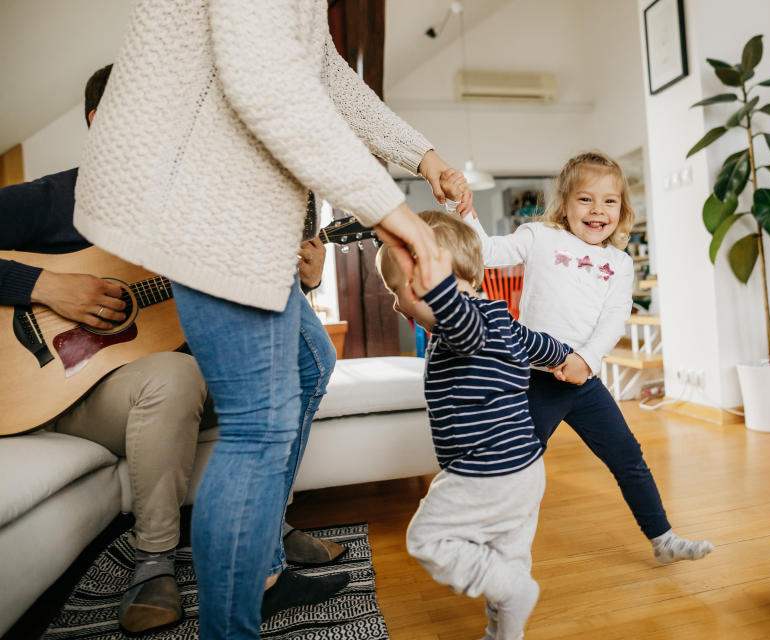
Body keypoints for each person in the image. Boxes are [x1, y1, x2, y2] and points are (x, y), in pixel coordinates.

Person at [71, 3, 473, 637]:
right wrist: (390, 211)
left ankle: (263, 561)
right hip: (203, 204)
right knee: (257, 429)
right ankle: (237, 612)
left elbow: (329, 79)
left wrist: (423, 157)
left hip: (235, 209)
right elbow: (264, 81)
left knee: (311, 363)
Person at [0, 65, 349, 635]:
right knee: (176, 375)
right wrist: (44, 286)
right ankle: (153, 562)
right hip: (57, 388)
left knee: (277, 370)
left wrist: (299, 278)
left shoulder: (187, 215)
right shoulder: (59, 198)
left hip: (149, 385)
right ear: (100, 123)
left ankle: (265, 537)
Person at [442, 152, 714, 565]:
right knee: (517, 469)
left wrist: (586, 360)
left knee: (629, 457)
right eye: (586, 199)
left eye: (609, 201)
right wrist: (458, 209)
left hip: (584, 383)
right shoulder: (539, 237)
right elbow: (485, 250)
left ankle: (663, 538)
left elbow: (612, 319)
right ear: (565, 203)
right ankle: (481, 542)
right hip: (534, 378)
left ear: (621, 209)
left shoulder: (619, 264)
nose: (597, 210)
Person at [377, 211, 576, 640]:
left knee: (426, 539)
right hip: (524, 469)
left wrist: (440, 288)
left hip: (485, 472)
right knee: (504, 558)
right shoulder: (500, 318)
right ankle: (503, 633)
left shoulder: (463, 324)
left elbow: (461, 325)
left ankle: (516, 592)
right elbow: (540, 344)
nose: (395, 303)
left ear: (429, 279)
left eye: (396, 289)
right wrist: (566, 357)